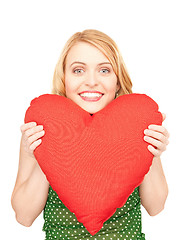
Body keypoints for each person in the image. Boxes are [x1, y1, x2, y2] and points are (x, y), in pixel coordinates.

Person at [11, 29, 169, 240]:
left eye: (104, 70)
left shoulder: (136, 127)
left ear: (118, 80)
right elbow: (24, 216)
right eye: (78, 70)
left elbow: (156, 207)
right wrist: (47, 151)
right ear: (64, 78)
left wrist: (152, 153)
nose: (92, 81)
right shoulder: (40, 128)